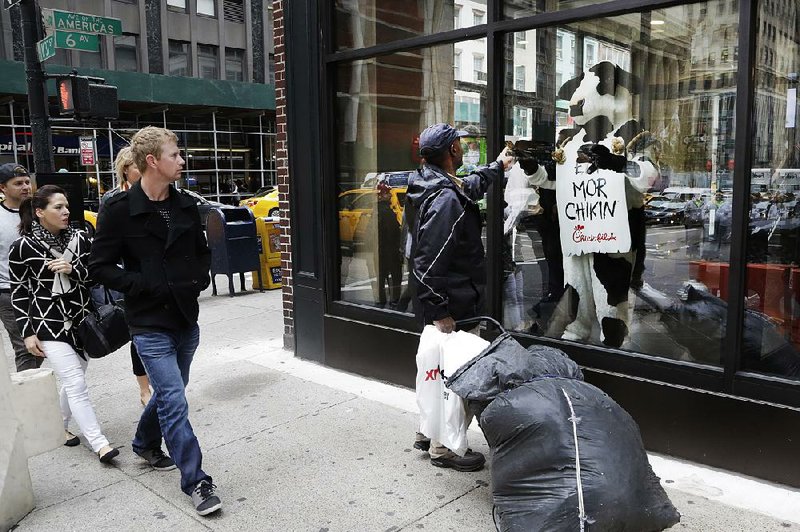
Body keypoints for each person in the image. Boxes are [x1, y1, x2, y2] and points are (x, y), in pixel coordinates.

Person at [89, 126, 221, 516]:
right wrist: (141, 284)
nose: (181, 160)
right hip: (148, 321)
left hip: (185, 317)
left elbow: (202, 251)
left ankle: (145, 444)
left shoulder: (184, 204)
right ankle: (196, 481)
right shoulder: (118, 210)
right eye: (174, 154)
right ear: (152, 161)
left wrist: (199, 279)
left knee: (169, 393)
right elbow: (100, 266)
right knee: (176, 400)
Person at [407, 123, 514, 471]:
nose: (464, 148)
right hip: (452, 302)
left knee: (435, 369)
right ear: (452, 151)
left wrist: (498, 167)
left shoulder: (429, 181)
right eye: (460, 144)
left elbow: (469, 186)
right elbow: (429, 258)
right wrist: (440, 309)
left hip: (442, 299)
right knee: (460, 375)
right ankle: (445, 448)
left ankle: (428, 431)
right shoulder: (446, 199)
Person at [9, 185, 119, 461]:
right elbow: (19, 291)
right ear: (39, 212)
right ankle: (99, 443)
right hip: (49, 323)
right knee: (75, 383)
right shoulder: (23, 247)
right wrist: (28, 332)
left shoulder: (82, 239)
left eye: (66, 206)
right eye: (58, 207)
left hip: (83, 321)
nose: (66, 211)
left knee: (75, 380)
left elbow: (96, 275)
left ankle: (60, 424)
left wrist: (74, 269)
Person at [99, 147, 152, 406]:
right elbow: (105, 249)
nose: (142, 172)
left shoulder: (157, 195)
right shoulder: (112, 201)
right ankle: (144, 387)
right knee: (137, 336)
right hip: (127, 279)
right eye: (136, 167)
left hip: (152, 278)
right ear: (125, 170)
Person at [0, 163, 35, 372]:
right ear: (3, 187)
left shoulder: (38, 210)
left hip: (39, 289)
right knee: (25, 347)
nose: (25, 187)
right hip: (8, 291)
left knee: (42, 345)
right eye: (18, 183)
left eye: (27, 182)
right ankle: (29, 400)